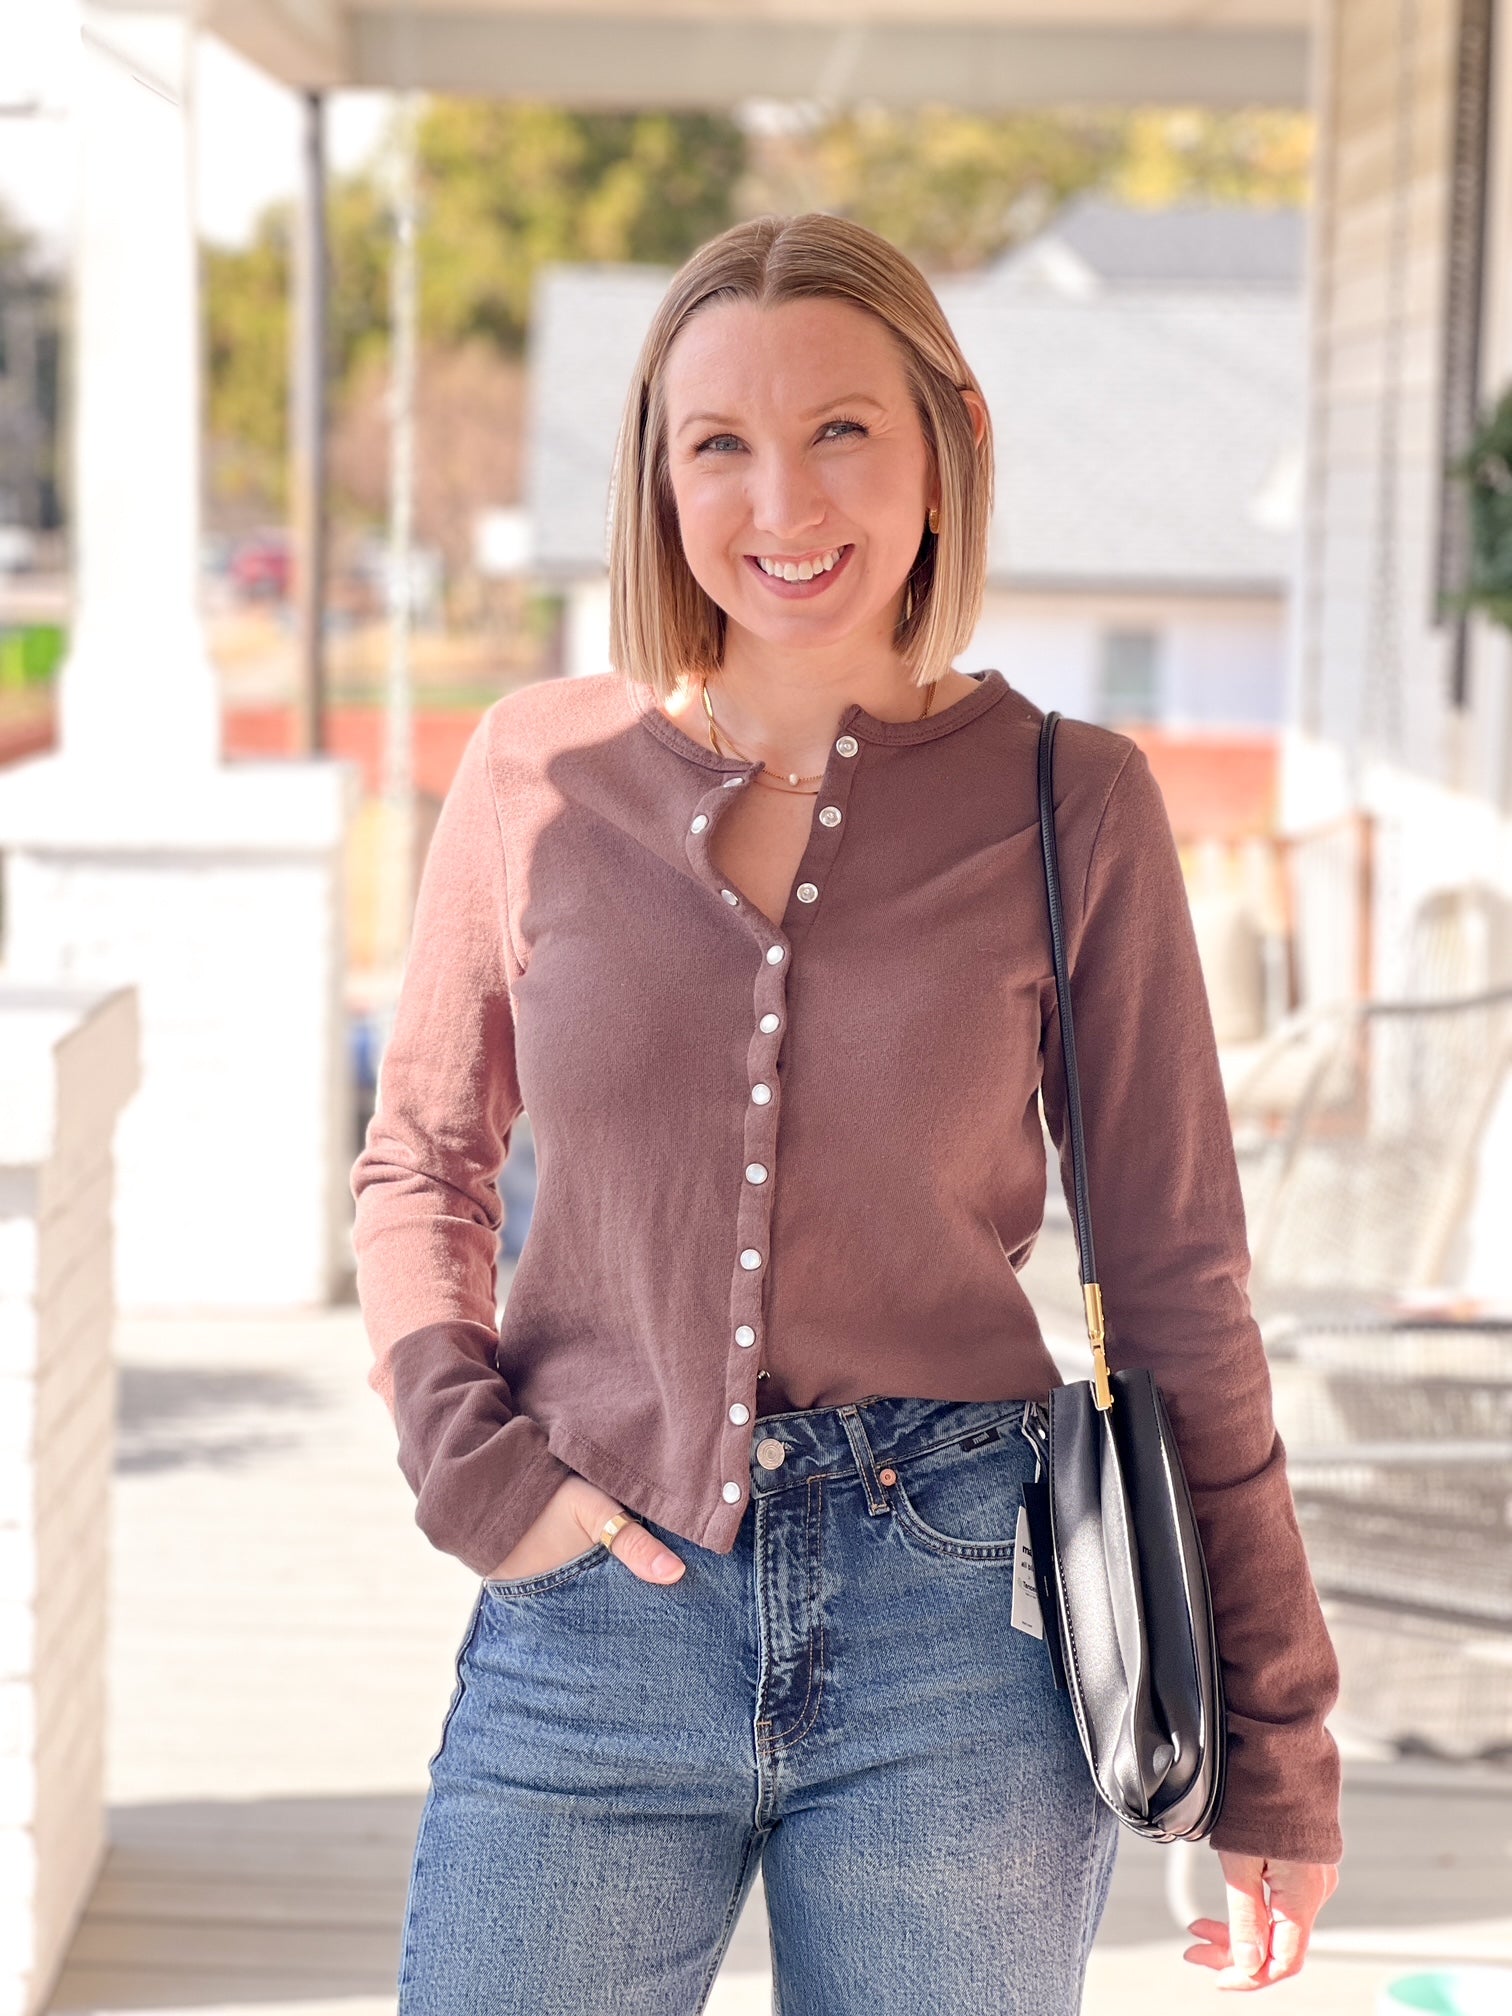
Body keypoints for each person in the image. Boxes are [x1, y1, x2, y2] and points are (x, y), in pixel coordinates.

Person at [350, 211, 1343, 2014]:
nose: (781, 502)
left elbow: (1179, 1280)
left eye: (839, 431)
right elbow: (423, 1159)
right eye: (719, 443)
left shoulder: (1073, 803)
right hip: (594, 1608)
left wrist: (1273, 1738)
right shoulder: (532, 771)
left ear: (947, 446)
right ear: (659, 476)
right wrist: (474, 1471)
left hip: (962, 1634)